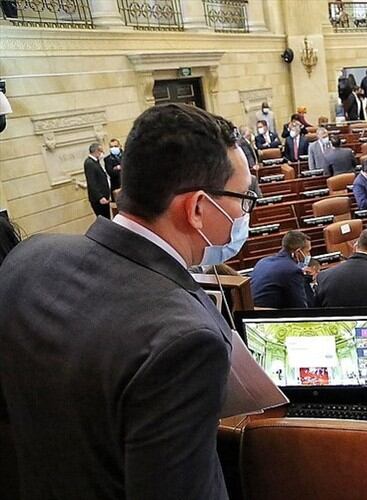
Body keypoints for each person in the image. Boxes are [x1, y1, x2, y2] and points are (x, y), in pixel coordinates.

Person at [0, 103, 252, 498]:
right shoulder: (186, 340)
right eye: (243, 198)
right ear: (198, 208)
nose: (244, 213)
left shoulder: (27, 259)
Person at [250, 230, 313, 309]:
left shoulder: (262, 261)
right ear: (298, 252)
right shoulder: (292, 270)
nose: (309, 255)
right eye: (308, 251)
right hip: (268, 314)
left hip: (251, 310)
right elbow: (300, 308)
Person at [83, 142, 111, 218]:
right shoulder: (89, 163)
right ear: (96, 151)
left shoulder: (95, 162)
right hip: (99, 200)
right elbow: (92, 182)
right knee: (104, 220)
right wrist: (100, 197)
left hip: (104, 197)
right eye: (101, 151)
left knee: (107, 219)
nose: (102, 153)